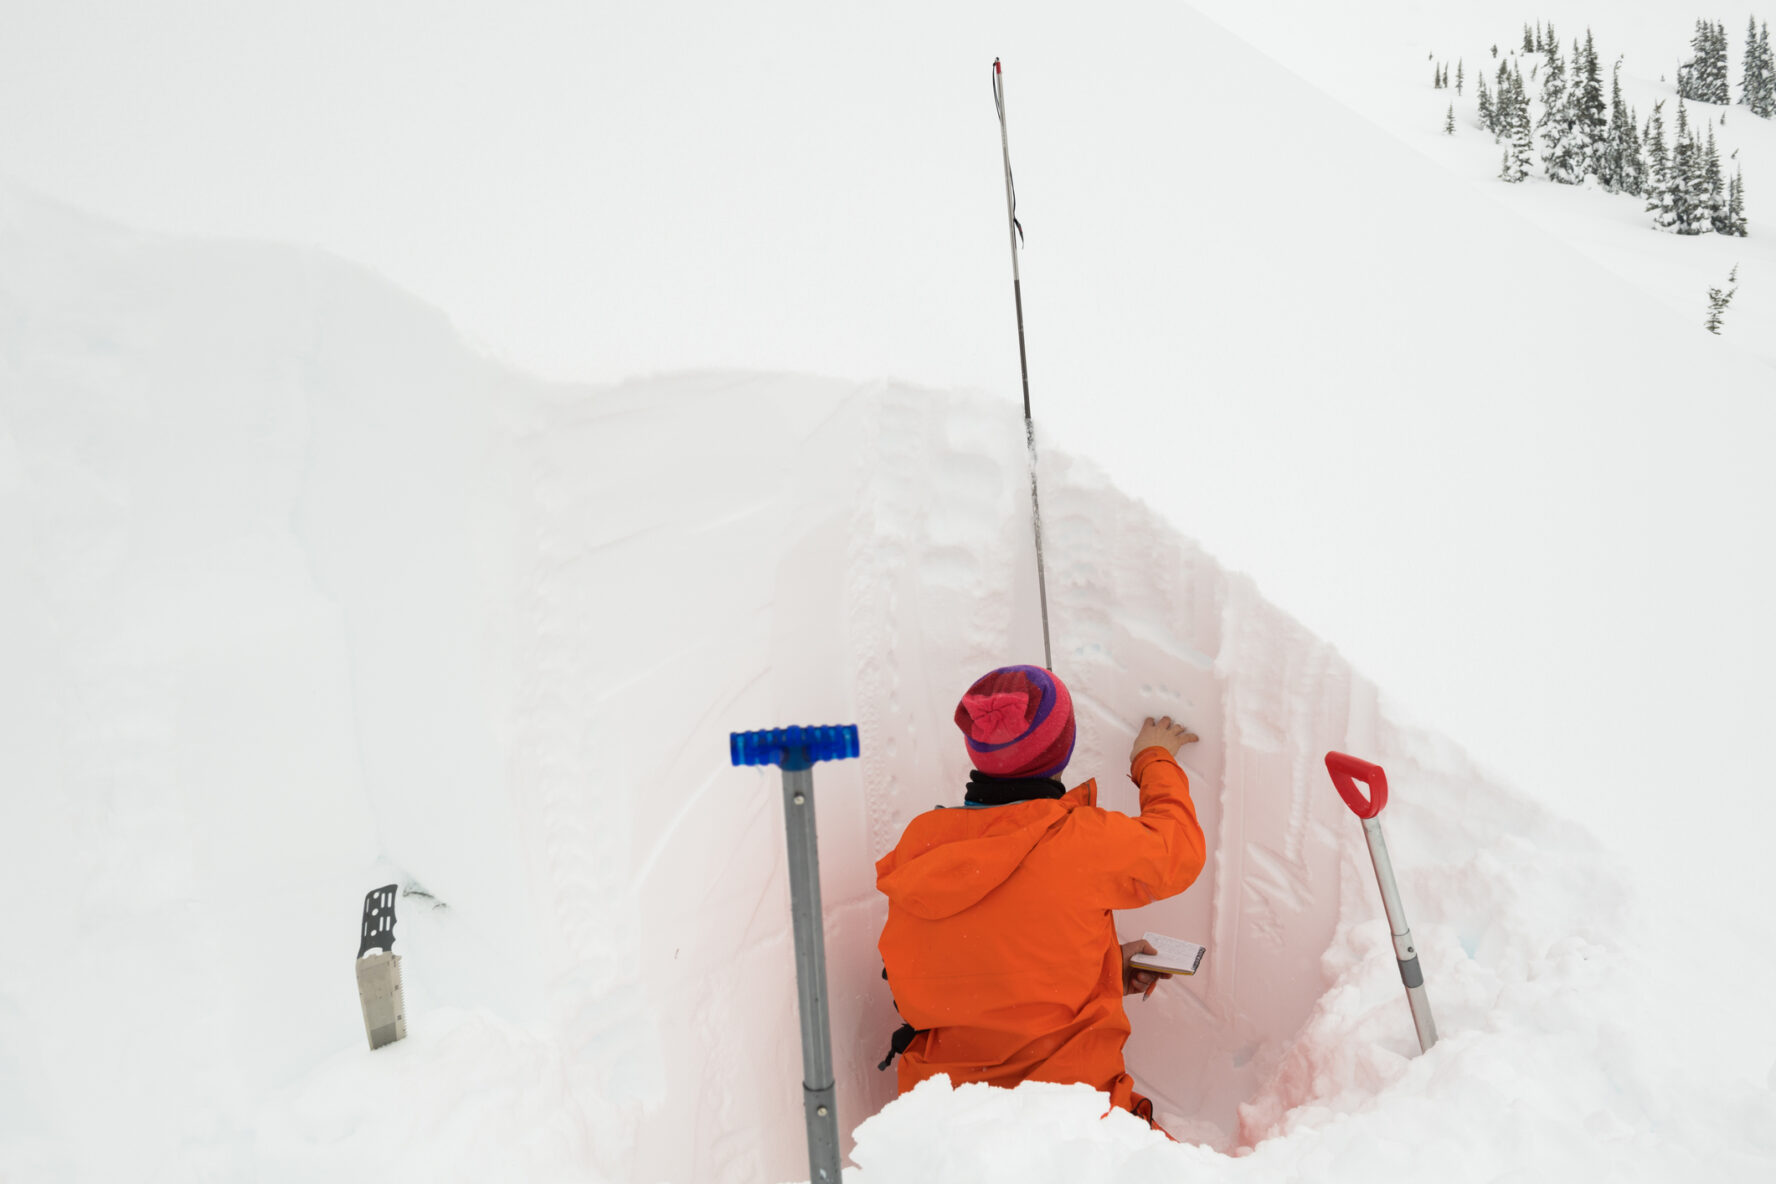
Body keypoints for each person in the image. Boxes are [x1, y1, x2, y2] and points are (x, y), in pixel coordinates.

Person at [875, 664, 1207, 1129]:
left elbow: (978, 968)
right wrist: (1154, 758)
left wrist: (1106, 967)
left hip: (944, 1118)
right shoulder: (1078, 841)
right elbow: (1178, 851)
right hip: (1068, 1112)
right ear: (1062, 750)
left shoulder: (923, 844)